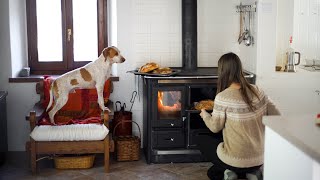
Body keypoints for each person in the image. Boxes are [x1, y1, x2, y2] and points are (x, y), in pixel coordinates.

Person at [198, 52, 280, 180]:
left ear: (222, 71)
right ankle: (252, 173)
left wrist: (204, 115)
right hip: (259, 158)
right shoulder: (258, 90)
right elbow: (276, 115)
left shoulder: (223, 97)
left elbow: (215, 127)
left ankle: (231, 171)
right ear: (240, 69)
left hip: (236, 160)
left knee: (200, 139)